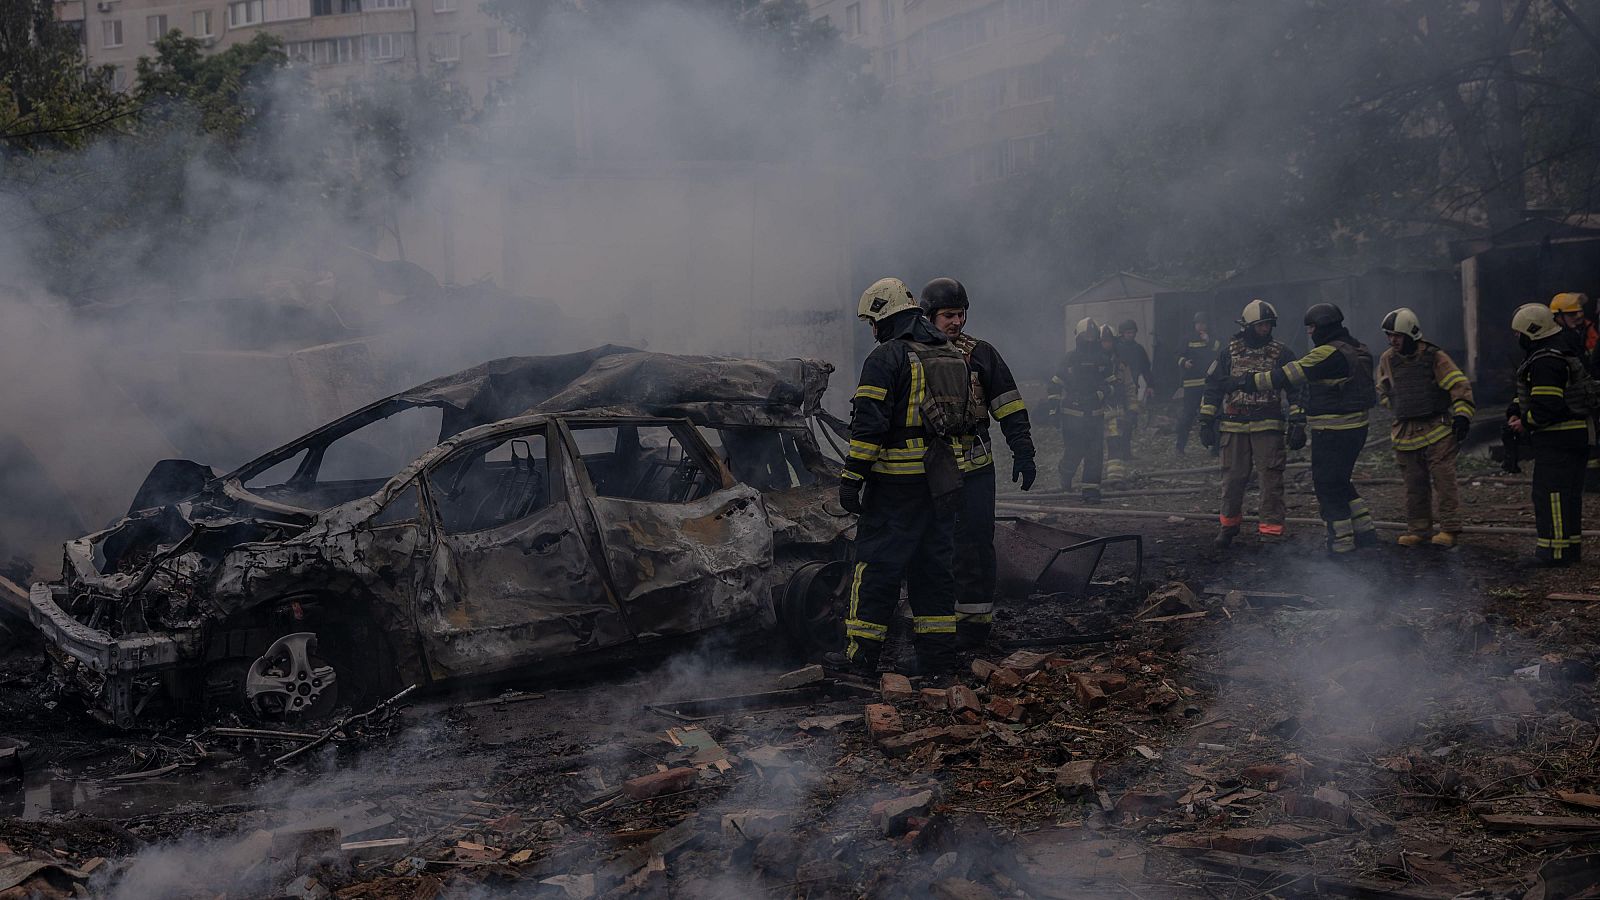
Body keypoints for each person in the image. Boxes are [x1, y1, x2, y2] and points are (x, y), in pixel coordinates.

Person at [825, 277, 975, 676]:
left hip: (896, 486)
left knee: (876, 568)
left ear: (881, 317)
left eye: (870, 323)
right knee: (934, 570)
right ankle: (938, 658)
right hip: (943, 484)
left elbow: (869, 428)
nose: (871, 332)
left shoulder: (887, 358)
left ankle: (860, 657)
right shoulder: (951, 355)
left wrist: (851, 478)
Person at [918, 277, 1036, 649]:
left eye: (961, 314)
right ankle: (933, 622)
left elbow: (1009, 406)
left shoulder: (981, 354)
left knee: (975, 543)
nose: (956, 322)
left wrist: (1023, 450)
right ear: (929, 316)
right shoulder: (911, 353)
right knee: (932, 543)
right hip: (928, 469)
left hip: (975, 467)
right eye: (948, 315)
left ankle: (975, 623)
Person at [1239, 303, 1377, 554]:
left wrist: (1248, 381)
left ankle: (1341, 543)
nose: (1310, 333)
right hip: (1357, 427)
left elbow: (1287, 375)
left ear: (1324, 326)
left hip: (1333, 429)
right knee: (1340, 480)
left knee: (1326, 483)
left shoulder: (1327, 353)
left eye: (1312, 327)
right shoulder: (1357, 347)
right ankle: (1365, 531)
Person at [1198, 299, 1301, 548]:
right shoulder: (1228, 353)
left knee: (1271, 480)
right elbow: (1212, 387)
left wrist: (1298, 420)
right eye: (1260, 325)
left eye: (1268, 325)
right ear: (1247, 326)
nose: (1265, 329)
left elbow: (1297, 388)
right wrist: (1205, 419)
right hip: (1234, 425)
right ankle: (1229, 526)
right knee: (1232, 479)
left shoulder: (1282, 353)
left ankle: (1270, 531)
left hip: (1268, 425)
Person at [1375, 308, 1475, 548]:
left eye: (1397, 335)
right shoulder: (1387, 359)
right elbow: (1383, 391)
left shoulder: (1434, 356)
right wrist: (1399, 406)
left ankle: (1449, 530)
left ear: (1411, 333)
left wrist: (1462, 415)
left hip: (1436, 430)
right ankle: (1419, 530)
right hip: (1405, 433)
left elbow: (1459, 386)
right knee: (1414, 484)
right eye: (1389, 336)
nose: (1393, 340)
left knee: (1444, 481)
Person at [1507, 303, 1594, 566]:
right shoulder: (1558, 352)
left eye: (1519, 332)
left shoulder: (1545, 360)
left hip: (1558, 440)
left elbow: (1546, 407)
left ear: (1532, 332)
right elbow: (1541, 394)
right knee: (1568, 495)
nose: (1517, 338)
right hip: (1574, 436)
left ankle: (1553, 553)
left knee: (1551, 495)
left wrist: (1524, 423)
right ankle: (1569, 549)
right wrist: (1515, 407)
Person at [1047, 317, 1112, 503]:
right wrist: (1053, 411)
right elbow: (1055, 385)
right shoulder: (1070, 359)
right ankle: (1065, 472)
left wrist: (1100, 394)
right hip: (1072, 415)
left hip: (1095, 415)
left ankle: (1091, 491)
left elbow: (1114, 384)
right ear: (1079, 336)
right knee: (1074, 451)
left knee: (1095, 452)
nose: (1090, 339)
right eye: (1087, 335)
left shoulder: (1103, 360)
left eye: (1093, 335)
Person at [1551, 292, 1600, 491]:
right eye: (1572, 315)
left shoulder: (1578, 334)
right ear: (1558, 316)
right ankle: (1589, 482)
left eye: (1579, 314)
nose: (1578, 318)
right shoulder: (1562, 339)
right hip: (1575, 401)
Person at [1176, 312, 1221, 456]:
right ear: (1194, 325)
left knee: (1212, 415)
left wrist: (1209, 340)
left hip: (1209, 384)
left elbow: (1220, 351)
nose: (1200, 326)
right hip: (1191, 384)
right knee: (1188, 416)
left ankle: (1215, 447)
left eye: (1203, 323)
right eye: (1198, 323)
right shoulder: (1187, 339)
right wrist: (1184, 362)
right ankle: (1180, 447)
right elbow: (1177, 355)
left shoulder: (1212, 339)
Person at [1101, 324, 1136, 487]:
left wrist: (1133, 409)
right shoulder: (1090, 362)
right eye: (1103, 341)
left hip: (1115, 411)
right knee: (1092, 447)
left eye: (1109, 341)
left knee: (1116, 444)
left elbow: (1129, 386)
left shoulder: (1120, 364)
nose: (1106, 345)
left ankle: (1115, 478)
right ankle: (1093, 478)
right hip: (1094, 412)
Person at [1116, 319, 1154, 440]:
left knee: (1131, 418)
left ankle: (1126, 452)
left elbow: (1146, 369)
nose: (1131, 335)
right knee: (1117, 420)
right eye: (1128, 333)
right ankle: (1116, 450)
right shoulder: (1115, 349)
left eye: (1133, 332)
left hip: (1132, 390)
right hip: (1116, 390)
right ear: (1122, 333)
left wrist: (1151, 385)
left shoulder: (1139, 349)